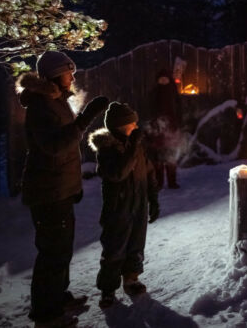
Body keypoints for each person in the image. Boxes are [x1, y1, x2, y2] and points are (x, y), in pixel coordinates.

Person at [17, 51, 109, 328]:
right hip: (47, 192)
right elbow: (56, 147)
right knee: (52, 252)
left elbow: (63, 146)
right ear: (56, 74)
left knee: (62, 249)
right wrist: (85, 119)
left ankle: (58, 297)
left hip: (59, 188)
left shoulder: (54, 101)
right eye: (69, 72)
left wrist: (73, 186)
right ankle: (47, 314)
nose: (73, 77)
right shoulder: (41, 106)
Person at [88, 102, 160, 308]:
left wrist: (153, 199)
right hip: (118, 208)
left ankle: (131, 278)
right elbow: (119, 173)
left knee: (136, 244)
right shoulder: (107, 148)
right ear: (121, 126)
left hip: (138, 203)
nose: (136, 127)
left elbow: (148, 171)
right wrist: (134, 146)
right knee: (114, 249)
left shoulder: (134, 144)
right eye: (132, 123)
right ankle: (108, 289)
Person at [146, 69, 182, 189]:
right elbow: (149, 111)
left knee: (171, 156)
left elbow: (179, 109)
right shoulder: (154, 93)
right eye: (161, 78)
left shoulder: (173, 92)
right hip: (157, 130)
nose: (163, 80)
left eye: (165, 78)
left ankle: (172, 181)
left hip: (171, 128)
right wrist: (152, 127)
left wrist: (178, 124)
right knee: (158, 157)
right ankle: (159, 182)